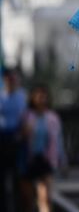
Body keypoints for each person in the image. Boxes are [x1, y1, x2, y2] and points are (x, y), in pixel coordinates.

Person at [19, 84, 66, 212]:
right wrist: (25, 131)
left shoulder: (52, 118)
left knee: (45, 196)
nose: (41, 99)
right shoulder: (27, 116)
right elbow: (20, 137)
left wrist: (62, 161)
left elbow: (58, 141)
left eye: (44, 97)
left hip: (45, 159)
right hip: (29, 160)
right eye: (39, 96)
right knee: (27, 200)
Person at [0, 68, 27, 212]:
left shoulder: (21, 96)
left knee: (17, 178)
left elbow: (25, 118)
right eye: (8, 79)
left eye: (13, 79)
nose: (11, 82)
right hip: (2, 138)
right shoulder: (1, 96)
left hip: (16, 139)